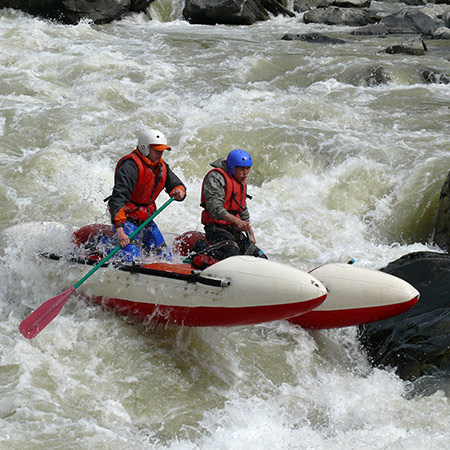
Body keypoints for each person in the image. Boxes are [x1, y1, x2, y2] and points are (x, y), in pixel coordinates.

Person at [105, 129, 186, 262]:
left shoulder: (161, 166)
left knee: (165, 257)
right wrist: (120, 230)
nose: (160, 153)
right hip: (126, 219)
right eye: (157, 150)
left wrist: (179, 192)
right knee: (131, 258)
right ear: (145, 148)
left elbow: (177, 184)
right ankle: (106, 244)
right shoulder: (130, 167)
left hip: (146, 219)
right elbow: (118, 199)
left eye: (162, 150)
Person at [197, 149, 266, 265]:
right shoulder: (215, 177)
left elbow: (242, 208)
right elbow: (215, 208)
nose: (246, 173)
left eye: (248, 168)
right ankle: (200, 255)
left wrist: (249, 231)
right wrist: (236, 221)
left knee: (260, 257)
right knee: (231, 256)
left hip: (233, 229)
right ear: (232, 167)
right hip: (215, 228)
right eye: (241, 169)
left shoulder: (240, 181)